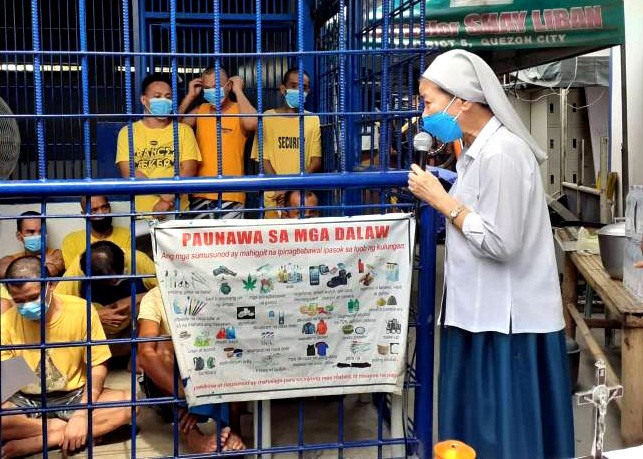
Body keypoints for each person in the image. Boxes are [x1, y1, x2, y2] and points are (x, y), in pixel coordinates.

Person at [407, 49, 574, 459]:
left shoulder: (503, 153)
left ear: (461, 101)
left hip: (508, 321)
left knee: (505, 433)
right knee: (475, 434)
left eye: (428, 102)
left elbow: (502, 242)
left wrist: (442, 201)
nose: (424, 113)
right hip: (480, 312)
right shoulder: (477, 149)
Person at [0, 256, 134, 458]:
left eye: (33, 297)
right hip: (27, 397)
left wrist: (81, 414)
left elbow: (97, 366)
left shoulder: (81, 310)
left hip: (74, 395)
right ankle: (61, 431)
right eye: (19, 301)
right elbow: (11, 383)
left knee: (129, 405)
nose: (27, 305)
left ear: (51, 284)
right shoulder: (7, 322)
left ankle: (43, 439)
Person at [137, 286, 245, 453]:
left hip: (206, 373)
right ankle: (192, 435)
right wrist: (188, 397)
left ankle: (232, 429)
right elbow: (145, 354)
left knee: (230, 346)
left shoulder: (211, 286)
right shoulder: (155, 296)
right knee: (160, 346)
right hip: (170, 386)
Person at [115, 73, 202, 218]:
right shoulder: (128, 132)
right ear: (144, 100)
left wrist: (165, 201)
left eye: (168, 97)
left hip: (178, 215)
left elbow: (188, 172)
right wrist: (164, 194)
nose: (163, 100)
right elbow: (129, 172)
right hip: (142, 215)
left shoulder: (183, 131)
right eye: (157, 96)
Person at [179, 65, 258, 218]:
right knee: (200, 242)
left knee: (229, 242)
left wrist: (238, 90)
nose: (212, 92)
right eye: (207, 88)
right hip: (200, 193)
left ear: (228, 85)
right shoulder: (201, 110)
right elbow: (174, 129)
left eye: (217, 86)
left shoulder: (239, 110)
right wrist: (190, 96)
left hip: (231, 195)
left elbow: (253, 123)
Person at [55, 241, 157, 355]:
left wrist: (132, 299)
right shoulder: (79, 267)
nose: (113, 281)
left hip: (135, 331)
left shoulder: (137, 259)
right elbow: (57, 305)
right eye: (105, 278)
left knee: (154, 307)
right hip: (97, 335)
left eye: (116, 274)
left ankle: (141, 354)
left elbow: (166, 293)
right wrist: (95, 315)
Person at [251, 67, 322, 218]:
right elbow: (263, 160)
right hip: (274, 197)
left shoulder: (312, 119)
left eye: (304, 88)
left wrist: (290, 188)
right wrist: (280, 186)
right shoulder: (266, 118)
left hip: (301, 201)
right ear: (283, 89)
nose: (299, 91)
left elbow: (316, 161)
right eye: (294, 86)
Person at [61, 195, 132, 268]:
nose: (101, 213)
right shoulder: (71, 242)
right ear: (84, 215)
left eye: (104, 207)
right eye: (93, 210)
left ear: (110, 208)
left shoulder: (129, 236)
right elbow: (75, 276)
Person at [0, 211, 65, 278]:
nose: (37, 235)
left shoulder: (56, 254)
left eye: (41, 231)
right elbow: (2, 271)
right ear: (19, 236)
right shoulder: (9, 259)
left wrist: (17, 268)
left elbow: (51, 270)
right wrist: (43, 262)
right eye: (31, 232)